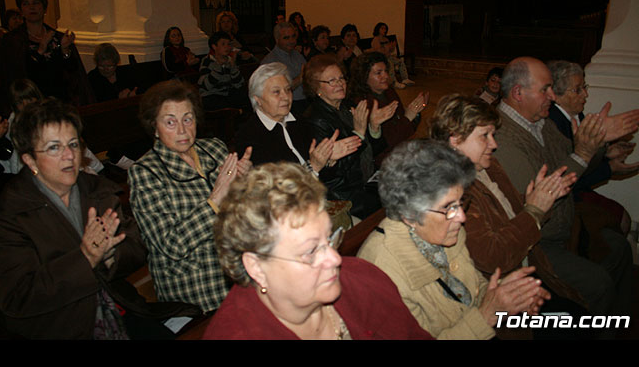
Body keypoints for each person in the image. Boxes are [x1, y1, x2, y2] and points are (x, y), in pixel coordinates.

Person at [0, 98, 200, 339]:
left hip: (116, 304)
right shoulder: (12, 211)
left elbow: (136, 245)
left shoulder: (96, 190)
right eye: (54, 147)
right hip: (58, 324)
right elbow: (19, 297)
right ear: (29, 159)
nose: (69, 156)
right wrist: (85, 258)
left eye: (73, 144)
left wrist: (108, 256)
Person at [203, 161, 434, 340]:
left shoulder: (364, 279)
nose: (335, 258)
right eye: (311, 251)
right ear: (256, 267)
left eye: (329, 238)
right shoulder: (235, 333)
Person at [429, 94, 596, 339]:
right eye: (484, 136)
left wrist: (539, 199)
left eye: (493, 135)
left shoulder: (488, 167)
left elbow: (510, 213)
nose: (493, 144)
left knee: (583, 315)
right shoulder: (452, 189)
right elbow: (491, 256)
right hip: (499, 296)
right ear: (455, 140)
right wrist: (534, 210)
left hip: (529, 269)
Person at [357, 139, 550, 340]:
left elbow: (471, 288)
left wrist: (508, 295)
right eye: (448, 207)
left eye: (460, 203)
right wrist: (486, 316)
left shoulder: (446, 229)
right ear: (409, 214)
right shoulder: (380, 274)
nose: (462, 217)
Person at [494, 56, 637, 318]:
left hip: (564, 226)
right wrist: (585, 151)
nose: (552, 95)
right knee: (599, 285)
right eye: (544, 89)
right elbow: (541, 191)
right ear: (518, 93)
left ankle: (615, 325)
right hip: (537, 243)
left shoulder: (541, 122)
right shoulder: (502, 136)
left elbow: (572, 160)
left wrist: (599, 147)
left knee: (619, 249)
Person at [127, 80, 253, 314]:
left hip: (244, 271)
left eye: (187, 119)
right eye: (170, 122)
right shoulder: (146, 172)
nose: (183, 130)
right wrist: (215, 201)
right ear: (154, 127)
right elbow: (171, 245)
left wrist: (245, 182)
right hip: (199, 290)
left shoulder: (213, 148)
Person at [547, 60, 638, 235]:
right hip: (566, 197)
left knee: (621, 219)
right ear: (556, 95)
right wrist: (609, 169)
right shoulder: (553, 122)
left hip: (578, 189)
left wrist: (606, 152)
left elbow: (586, 157)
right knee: (621, 220)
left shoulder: (576, 114)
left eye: (585, 87)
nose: (586, 94)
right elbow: (569, 172)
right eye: (578, 89)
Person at [303, 54, 395, 220]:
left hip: (365, 179)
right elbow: (331, 174)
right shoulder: (315, 120)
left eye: (341, 78)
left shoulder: (346, 106)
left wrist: (374, 127)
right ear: (317, 88)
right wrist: (359, 132)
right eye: (331, 81)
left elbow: (371, 151)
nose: (340, 83)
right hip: (343, 194)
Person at [235, 62, 361, 171]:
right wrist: (314, 165)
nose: (285, 97)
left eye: (288, 89)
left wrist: (328, 160)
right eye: (276, 92)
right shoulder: (248, 136)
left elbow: (324, 177)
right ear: (258, 99)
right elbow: (278, 187)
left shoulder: (299, 121)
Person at [0, 0, 93, 109]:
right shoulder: (13, 40)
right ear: (21, 11)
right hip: (30, 104)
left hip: (59, 100)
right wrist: (41, 49)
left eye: (36, 3)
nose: (32, 7)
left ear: (44, 8)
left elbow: (73, 73)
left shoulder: (57, 37)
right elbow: (15, 75)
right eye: (26, 4)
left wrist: (65, 50)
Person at [0, 79, 104, 177]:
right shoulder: (11, 127)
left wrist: (96, 167)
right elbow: (10, 160)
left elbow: (75, 146)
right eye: (20, 102)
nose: (26, 105)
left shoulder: (51, 117)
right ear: (14, 105)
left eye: (29, 100)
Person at [347, 51, 428, 167]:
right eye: (378, 73)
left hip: (401, 150)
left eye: (385, 71)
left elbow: (405, 128)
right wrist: (408, 117)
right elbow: (385, 143)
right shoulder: (362, 103)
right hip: (384, 161)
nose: (385, 76)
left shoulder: (389, 92)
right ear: (364, 77)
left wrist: (415, 113)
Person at [261, 21, 308, 116]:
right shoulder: (270, 62)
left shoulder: (297, 55)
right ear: (277, 39)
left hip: (306, 101)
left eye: (293, 36)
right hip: (286, 106)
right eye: (286, 38)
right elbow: (276, 92)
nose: (291, 41)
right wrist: (300, 78)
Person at [197, 31, 249, 112]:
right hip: (211, 95)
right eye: (223, 44)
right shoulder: (207, 61)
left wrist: (233, 67)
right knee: (222, 104)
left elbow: (239, 84)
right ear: (214, 46)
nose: (227, 47)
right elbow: (206, 85)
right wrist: (218, 66)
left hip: (226, 94)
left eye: (228, 44)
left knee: (246, 97)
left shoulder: (229, 60)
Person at [370, 22, 414, 88]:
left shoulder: (386, 39)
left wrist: (392, 47)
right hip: (381, 58)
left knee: (400, 61)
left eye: (385, 29)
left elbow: (390, 51)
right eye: (382, 28)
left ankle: (405, 78)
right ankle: (394, 82)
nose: (384, 30)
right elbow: (378, 52)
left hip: (388, 56)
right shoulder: (376, 39)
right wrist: (387, 48)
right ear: (378, 29)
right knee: (390, 64)